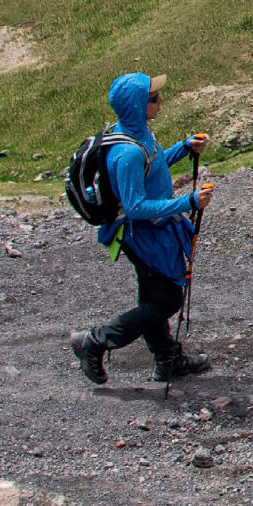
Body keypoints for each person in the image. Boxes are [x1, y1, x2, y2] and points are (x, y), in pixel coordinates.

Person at [70, 72, 213, 386]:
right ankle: (95, 341)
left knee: (154, 298)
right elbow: (135, 208)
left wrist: (184, 148)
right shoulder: (129, 154)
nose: (160, 100)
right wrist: (187, 201)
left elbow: (156, 163)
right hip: (143, 235)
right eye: (153, 98)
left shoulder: (137, 134)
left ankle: (167, 359)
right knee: (167, 301)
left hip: (152, 231)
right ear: (137, 105)